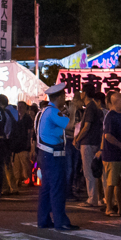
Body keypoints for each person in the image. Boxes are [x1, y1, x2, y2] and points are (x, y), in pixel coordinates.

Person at [36, 83, 78, 231]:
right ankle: (61, 222)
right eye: (64, 96)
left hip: (45, 154)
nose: (65, 98)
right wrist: (72, 112)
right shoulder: (53, 112)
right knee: (57, 188)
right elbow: (70, 125)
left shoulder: (44, 111)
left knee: (47, 189)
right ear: (59, 97)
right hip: (53, 155)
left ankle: (43, 220)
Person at [75, 86, 105, 207]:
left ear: (85, 94)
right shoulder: (95, 107)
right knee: (95, 169)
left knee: (88, 170)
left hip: (88, 142)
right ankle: (97, 197)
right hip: (95, 142)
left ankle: (92, 198)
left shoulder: (90, 107)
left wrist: (77, 139)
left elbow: (87, 126)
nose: (80, 94)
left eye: (82, 92)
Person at [100, 92, 121, 217]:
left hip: (118, 154)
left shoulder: (120, 115)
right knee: (111, 182)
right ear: (115, 102)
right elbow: (108, 136)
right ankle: (109, 207)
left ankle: (120, 206)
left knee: (119, 182)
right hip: (111, 154)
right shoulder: (111, 116)